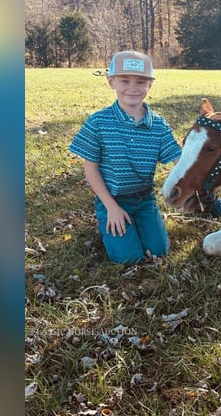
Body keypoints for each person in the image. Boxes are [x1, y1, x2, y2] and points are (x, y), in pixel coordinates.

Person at [69, 50, 181, 265]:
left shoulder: (158, 124)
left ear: (150, 85)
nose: (133, 88)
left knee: (159, 251)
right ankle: (109, 222)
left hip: (144, 199)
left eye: (141, 82)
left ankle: (142, 224)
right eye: (124, 80)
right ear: (111, 81)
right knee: (129, 258)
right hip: (112, 199)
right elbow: (91, 169)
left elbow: (178, 159)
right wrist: (111, 207)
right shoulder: (98, 122)